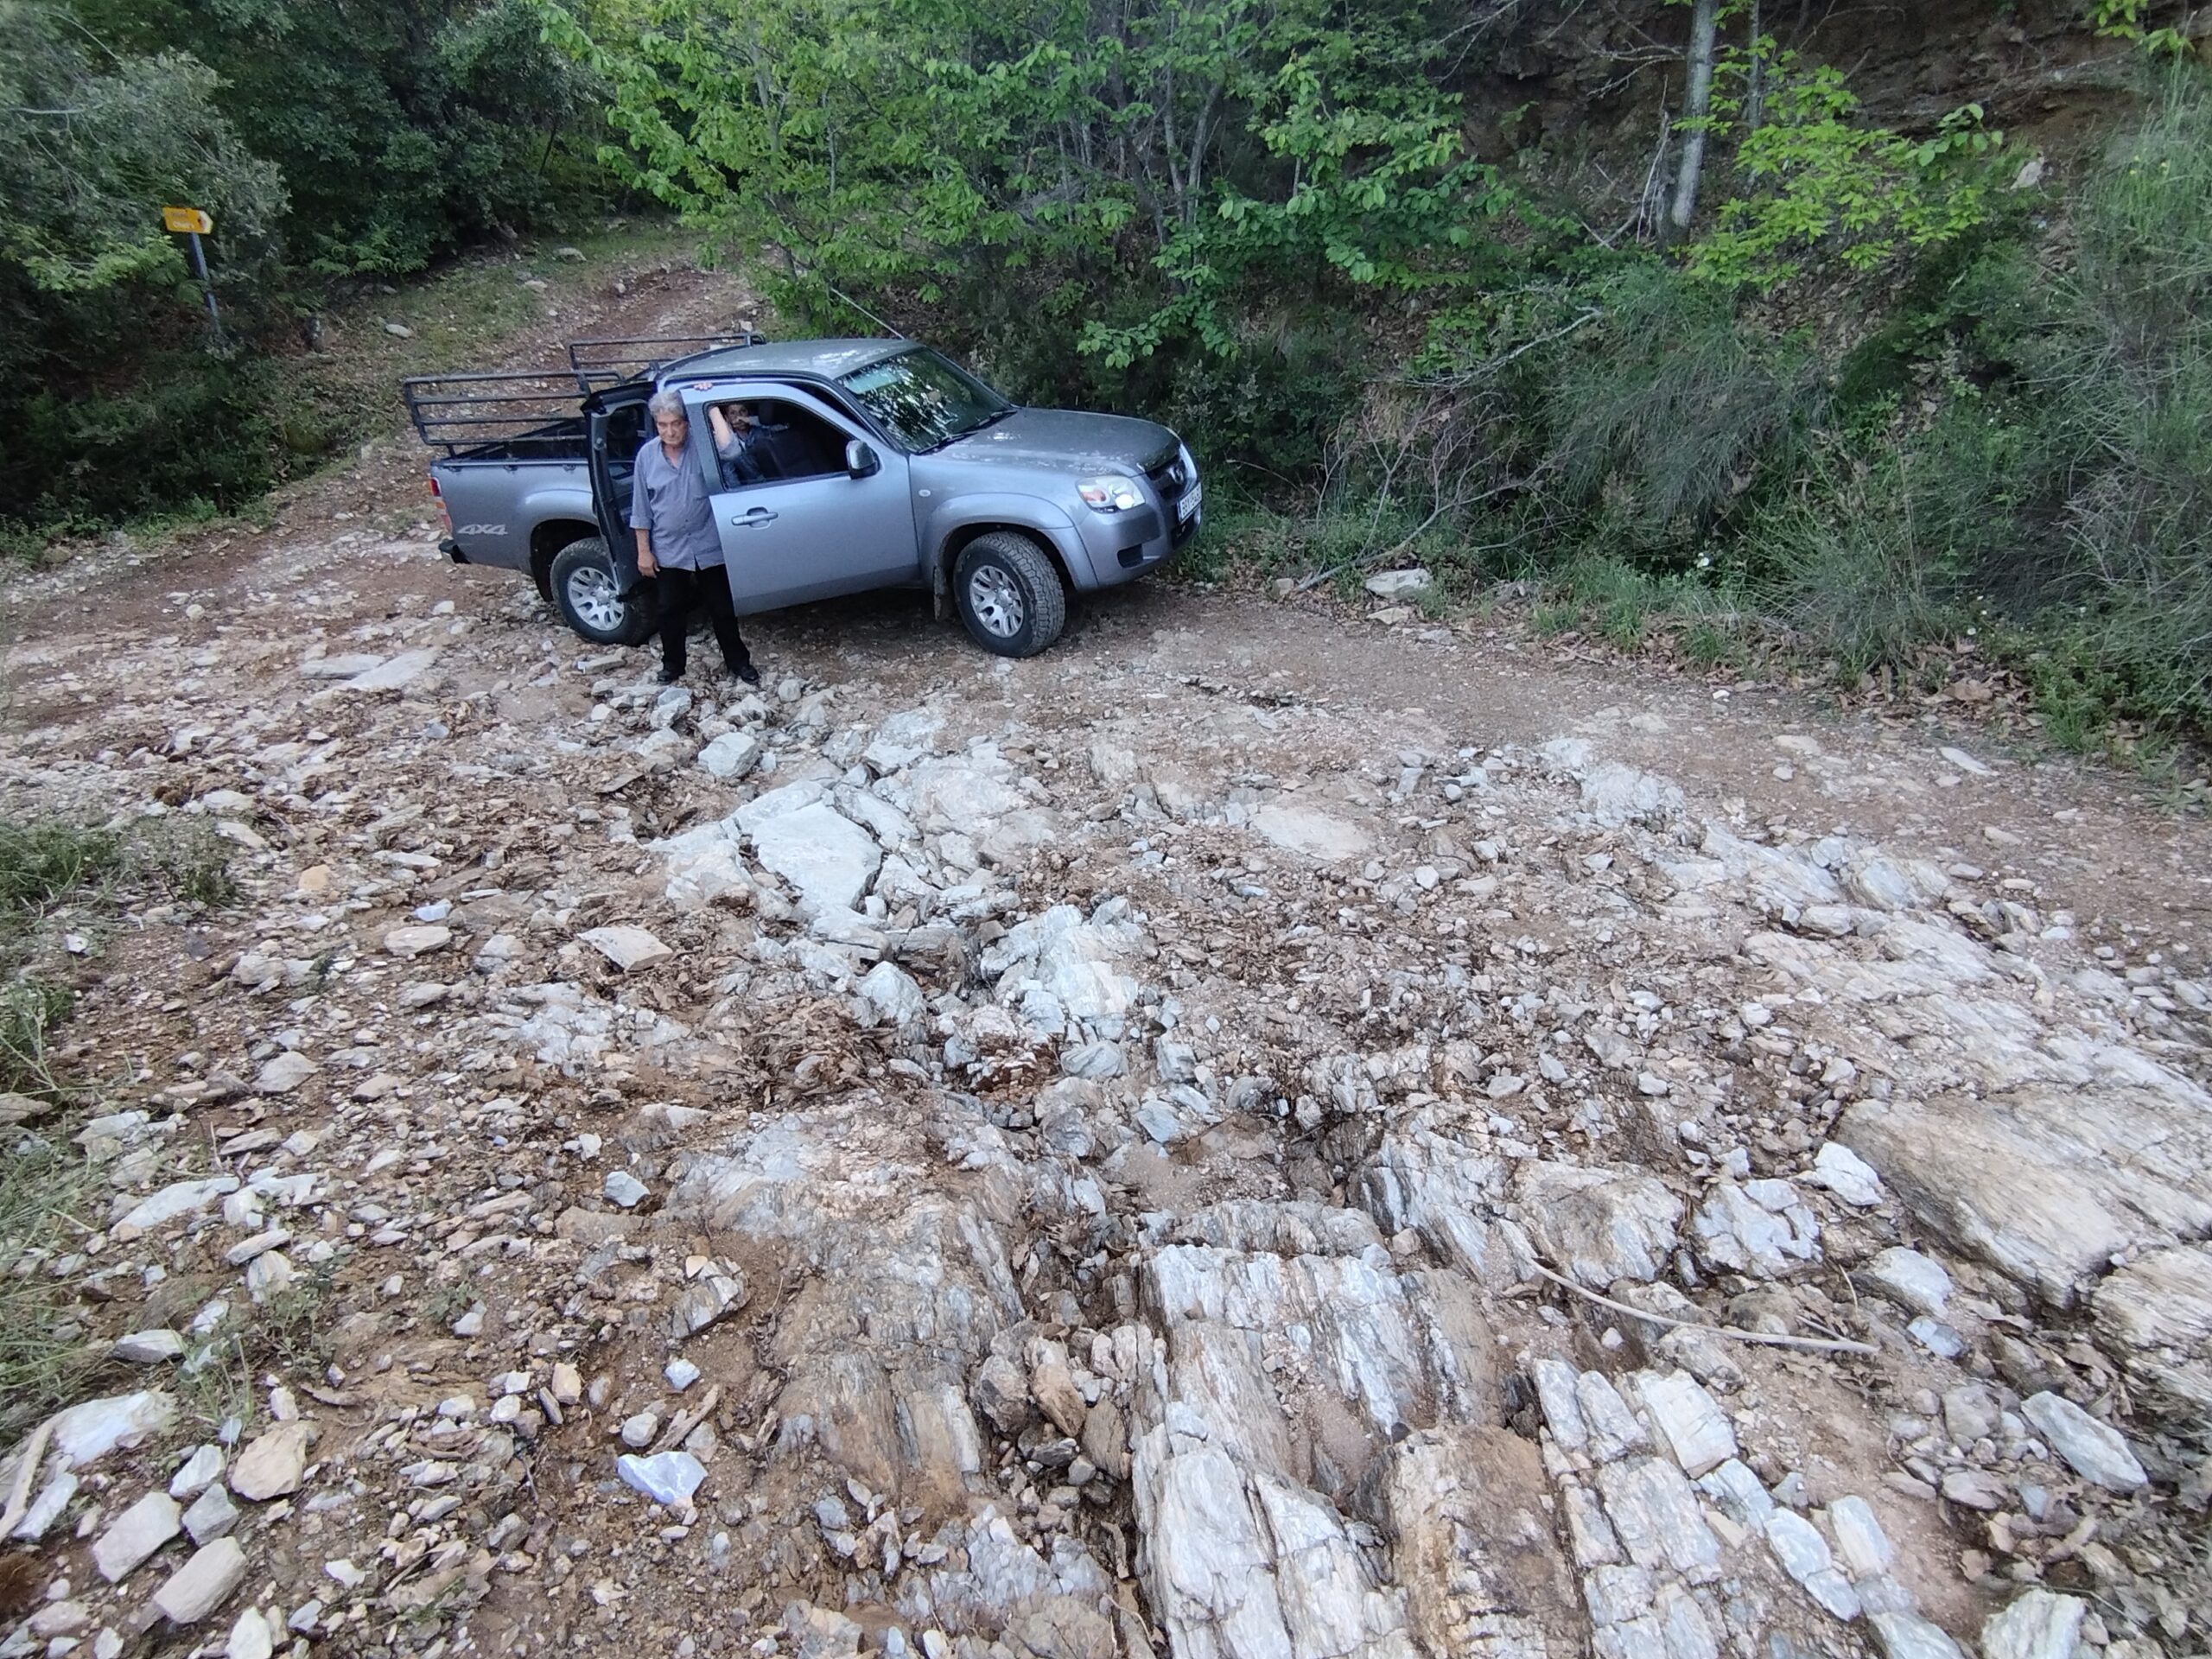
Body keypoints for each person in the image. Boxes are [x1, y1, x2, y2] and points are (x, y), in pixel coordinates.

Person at [629, 390, 761, 687]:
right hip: (668, 547)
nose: (670, 431)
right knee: (668, 610)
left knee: (722, 608)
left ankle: (739, 662)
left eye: (675, 423)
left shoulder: (702, 446)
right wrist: (643, 551)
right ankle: (672, 666)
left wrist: (713, 404)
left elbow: (732, 451)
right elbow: (640, 509)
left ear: (686, 423)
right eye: (662, 425)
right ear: (655, 425)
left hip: (708, 543)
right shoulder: (646, 457)